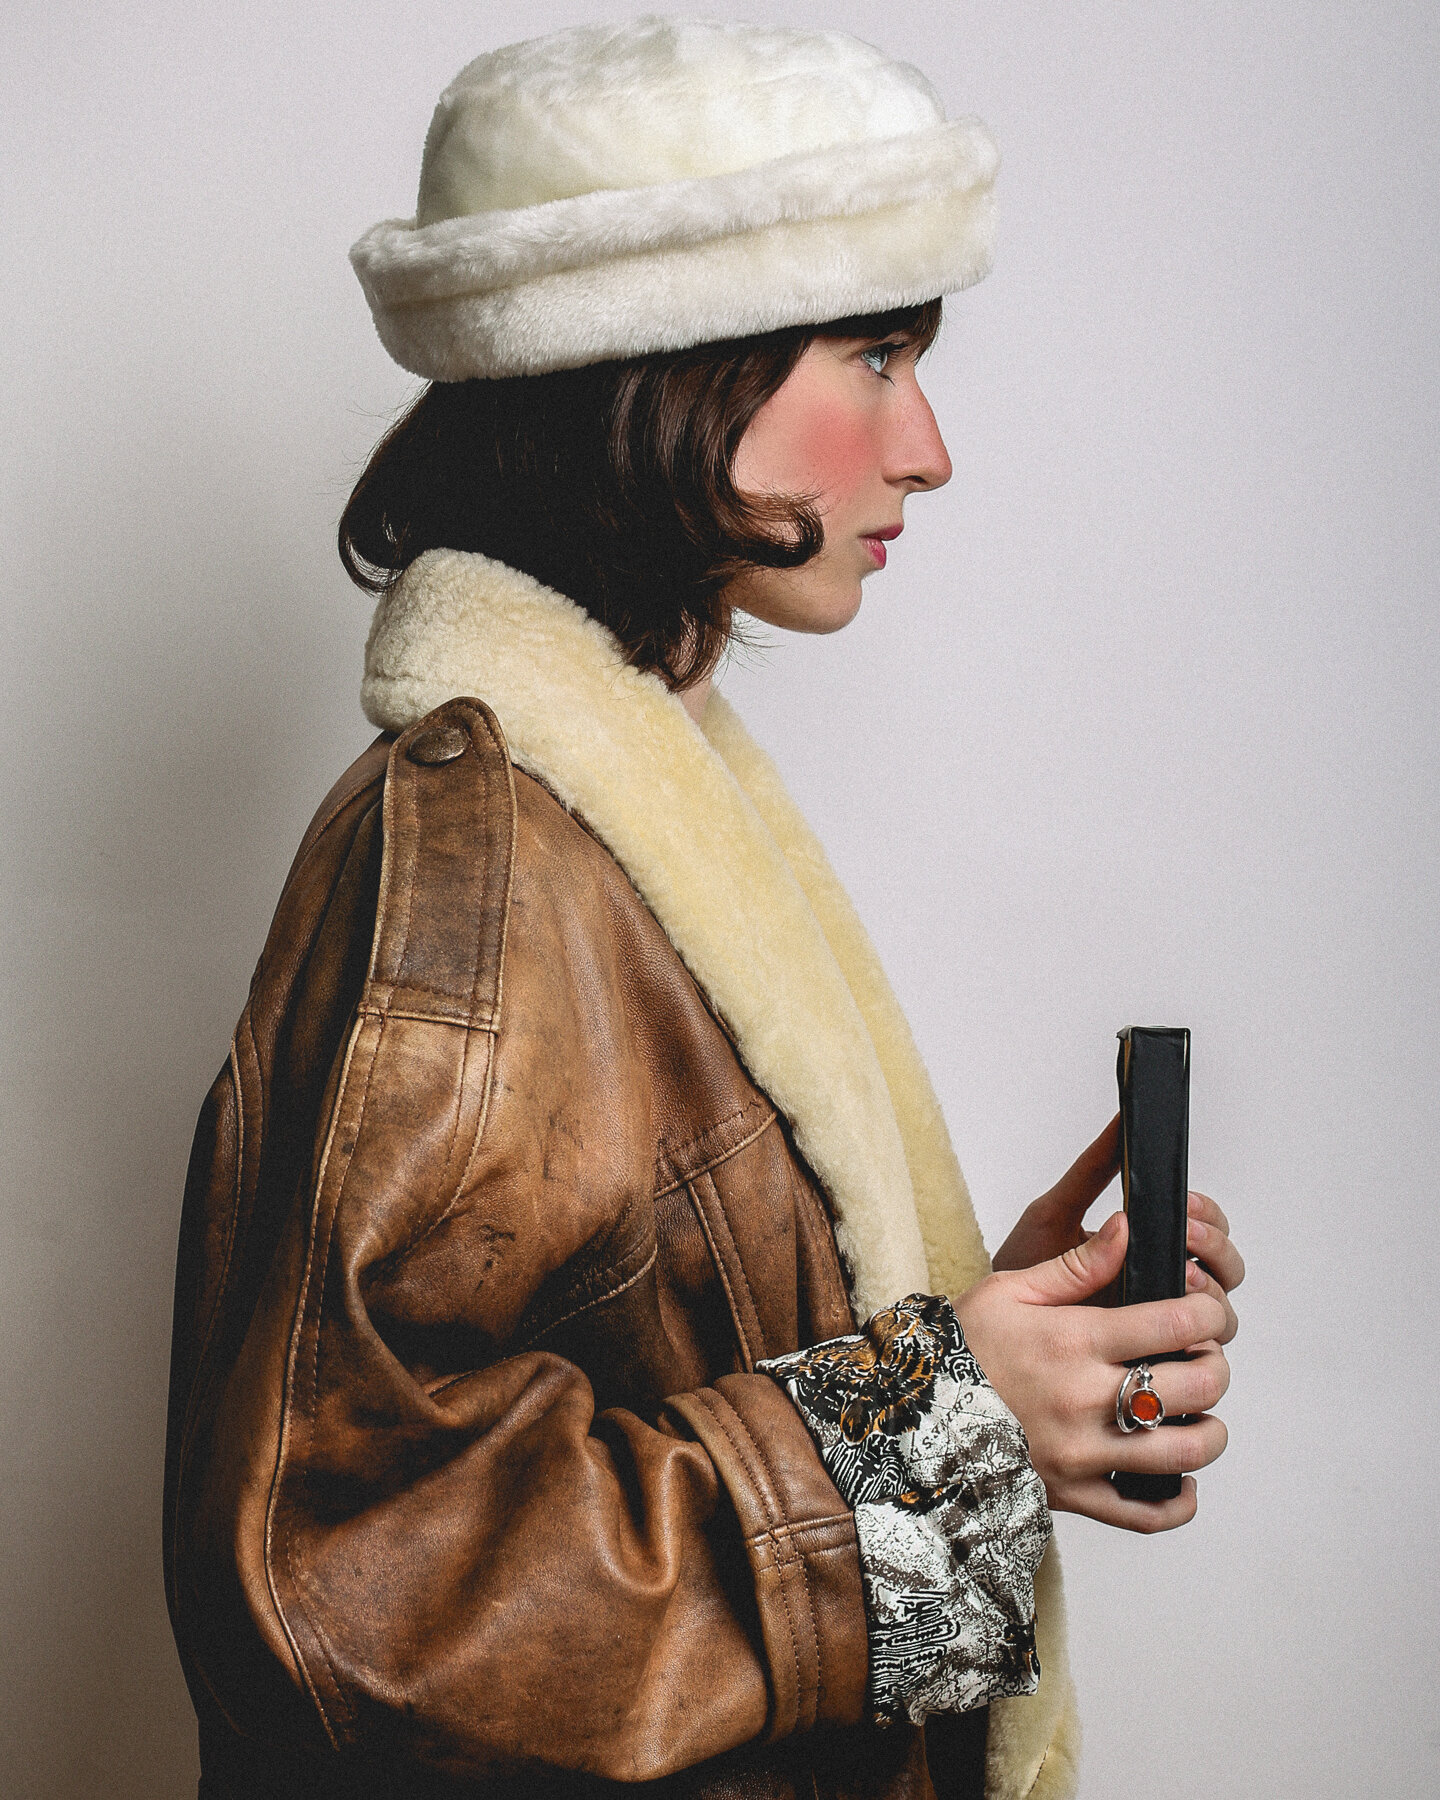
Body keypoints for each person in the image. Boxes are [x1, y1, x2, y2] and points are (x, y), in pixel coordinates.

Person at [163, 20, 1243, 1800]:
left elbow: (633, 1358)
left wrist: (991, 1348)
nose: (929, 449)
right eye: (874, 354)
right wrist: (929, 1428)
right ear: (665, 364)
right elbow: (331, 1579)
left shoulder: (633, 796)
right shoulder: (482, 853)